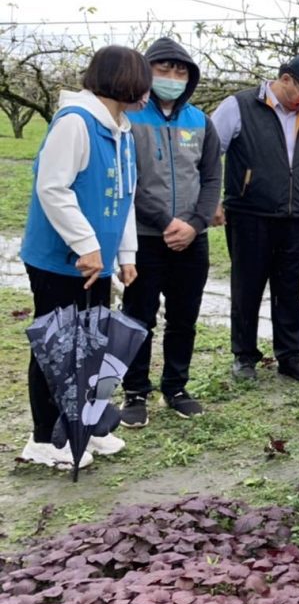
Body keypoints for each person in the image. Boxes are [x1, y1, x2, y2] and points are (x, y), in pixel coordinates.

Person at [19, 46, 150, 469]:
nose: (149, 88)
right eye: (144, 77)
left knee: (91, 347)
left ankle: (86, 427)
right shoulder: (75, 122)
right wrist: (86, 244)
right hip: (61, 260)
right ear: (124, 79)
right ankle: (44, 439)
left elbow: (125, 197)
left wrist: (126, 253)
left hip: (99, 262)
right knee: (57, 348)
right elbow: (52, 189)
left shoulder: (122, 130)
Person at [120, 38, 222, 428]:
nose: (173, 77)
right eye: (164, 69)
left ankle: (176, 387)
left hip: (192, 237)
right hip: (146, 236)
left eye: (181, 71)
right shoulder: (130, 119)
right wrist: (165, 222)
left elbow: (212, 175)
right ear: (147, 73)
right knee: (138, 315)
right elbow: (131, 180)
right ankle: (135, 391)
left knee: (184, 316)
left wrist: (195, 224)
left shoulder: (200, 121)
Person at [210, 53, 299, 383]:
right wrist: (211, 201)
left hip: (294, 215)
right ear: (286, 79)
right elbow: (210, 152)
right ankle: (244, 355)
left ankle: (291, 354)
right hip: (249, 213)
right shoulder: (239, 105)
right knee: (247, 286)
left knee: (289, 288)